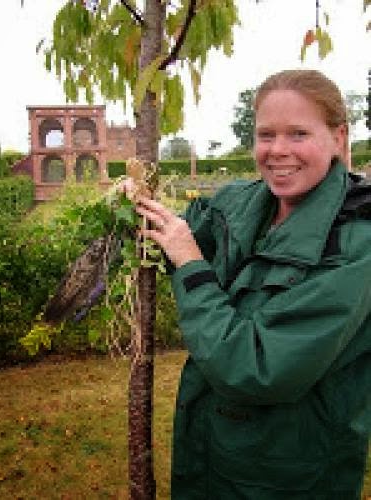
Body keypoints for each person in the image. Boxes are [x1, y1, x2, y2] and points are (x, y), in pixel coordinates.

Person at [124, 69, 371, 499]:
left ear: (338, 137)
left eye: (298, 134)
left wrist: (190, 262)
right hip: (210, 460)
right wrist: (135, 201)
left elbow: (254, 367)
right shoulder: (241, 203)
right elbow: (179, 233)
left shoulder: (354, 245)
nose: (278, 150)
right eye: (266, 135)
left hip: (287, 477)